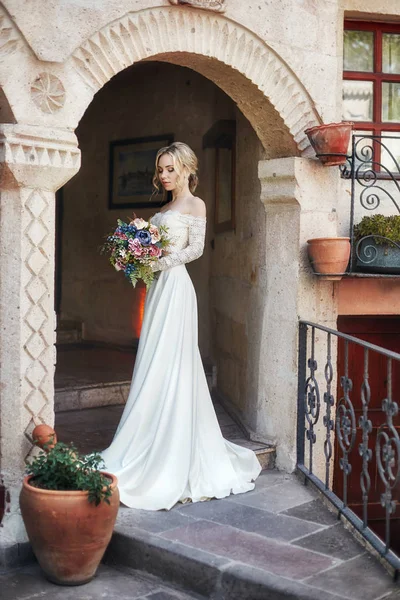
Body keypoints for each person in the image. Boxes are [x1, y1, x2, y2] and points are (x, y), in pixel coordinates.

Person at [101, 142, 261, 510]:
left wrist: (155, 262)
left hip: (175, 286)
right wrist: (137, 257)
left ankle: (172, 443)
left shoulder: (195, 205)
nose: (164, 175)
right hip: (158, 289)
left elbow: (195, 249)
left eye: (170, 169)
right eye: (161, 170)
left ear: (187, 168)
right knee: (152, 358)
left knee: (172, 360)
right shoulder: (164, 209)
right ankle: (145, 431)